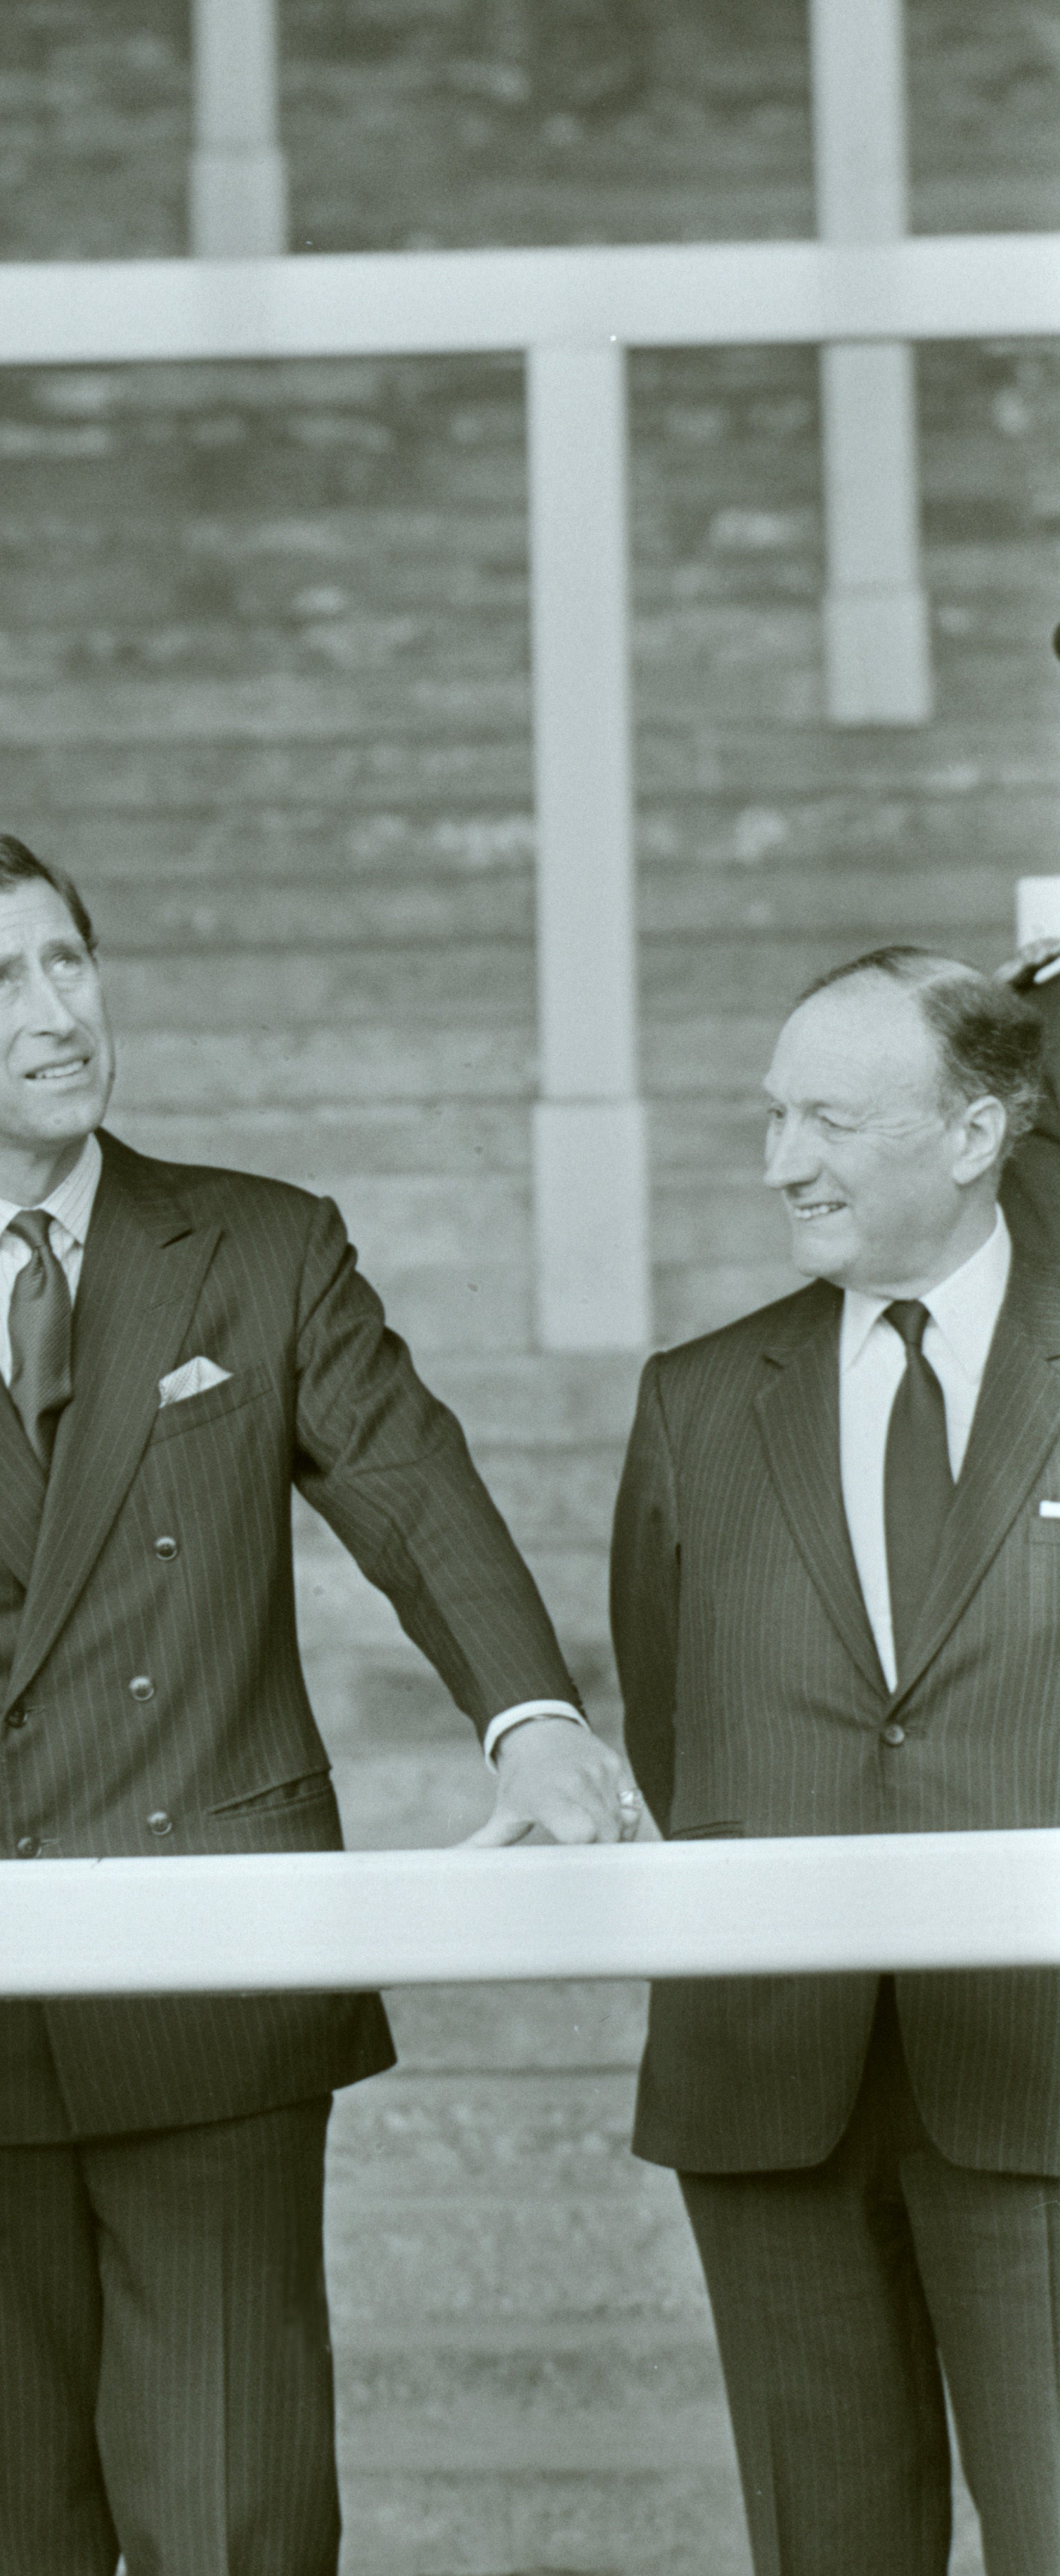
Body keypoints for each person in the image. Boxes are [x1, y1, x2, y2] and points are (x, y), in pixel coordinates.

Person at [0, 829, 636, 2576]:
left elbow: (413, 1493)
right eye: (2, 980)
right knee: (13, 2531)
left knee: (240, 2524)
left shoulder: (262, 1249)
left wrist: (535, 1717)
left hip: (213, 1975)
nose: (60, 1010)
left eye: (71, 961)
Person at [610, 945, 1060, 2576]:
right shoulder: (697, 1403)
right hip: (773, 2085)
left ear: (975, 1132)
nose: (781, 1163)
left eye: (831, 1122)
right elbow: (671, 1724)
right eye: (771, 1116)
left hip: (1041, 2074)